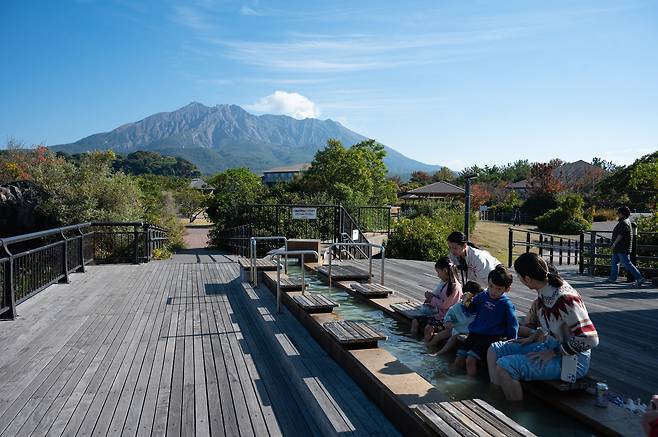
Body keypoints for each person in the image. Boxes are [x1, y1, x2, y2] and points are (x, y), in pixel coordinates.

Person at [488, 253, 599, 401]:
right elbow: (553, 326)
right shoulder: (544, 288)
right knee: (495, 350)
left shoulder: (566, 299)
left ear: (527, 279)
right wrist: (534, 336)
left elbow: (591, 339)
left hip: (571, 361)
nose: (520, 281)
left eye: (520, 277)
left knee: (505, 366)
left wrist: (553, 352)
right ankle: (495, 396)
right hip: (549, 345)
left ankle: (512, 413)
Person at [455, 265, 518, 376]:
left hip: (490, 337)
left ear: (507, 289)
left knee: (470, 360)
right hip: (474, 334)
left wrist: (512, 341)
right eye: (491, 286)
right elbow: (471, 310)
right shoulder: (483, 296)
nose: (493, 291)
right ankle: (450, 378)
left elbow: (512, 325)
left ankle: (470, 386)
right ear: (488, 283)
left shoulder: (506, 305)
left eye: (499, 289)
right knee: (460, 356)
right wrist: (466, 302)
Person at [410, 257, 463, 336]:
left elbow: (444, 305)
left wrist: (432, 298)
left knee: (429, 328)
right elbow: (442, 299)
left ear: (445, 271)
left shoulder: (454, 287)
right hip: (440, 315)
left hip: (447, 319)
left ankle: (427, 346)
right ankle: (412, 342)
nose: (438, 275)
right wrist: (432, 297)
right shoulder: (446, 283)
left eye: (438, 272)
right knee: (415, 321)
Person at [427, 281, 483, 352]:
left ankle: (439, 353)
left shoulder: (479, 306)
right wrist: (448, 321)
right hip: (459, 328)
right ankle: (428, 345)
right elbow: (453, 313)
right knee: (442, 334)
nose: (467, 301)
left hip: (468, 331)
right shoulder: (462, 304)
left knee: (452, 339)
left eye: (469, 298)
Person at [604, 205, 645, 287]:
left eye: (618, 213)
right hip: (619, 247)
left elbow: (620, 235)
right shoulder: (625, 221)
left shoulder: (624, 222)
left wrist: (614, 244)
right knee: (614, 263)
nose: (617, 214)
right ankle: (612, 278)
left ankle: (640, 278)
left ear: (622, 213)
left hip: (622, 247)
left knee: (627, 263)